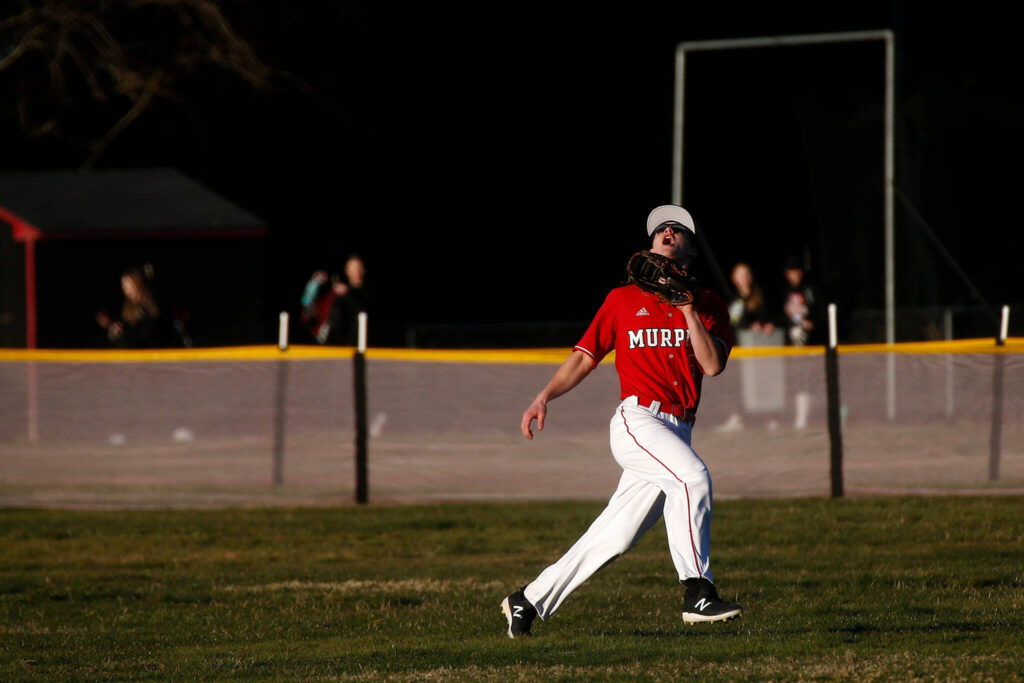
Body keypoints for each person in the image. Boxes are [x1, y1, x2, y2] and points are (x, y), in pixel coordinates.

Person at [501, 205, 742, 639]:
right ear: (650, 247)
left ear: (690, 248)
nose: (667, 232)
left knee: (615, 536)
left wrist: (688, 310)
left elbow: (712, 366)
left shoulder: (710, 305)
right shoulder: (622, 300)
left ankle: (529, 599)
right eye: (659, 229)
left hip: (678, 427)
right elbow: (584, 358)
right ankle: (698, 591)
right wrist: (544, 396)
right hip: (639, 420)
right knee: (692, 479)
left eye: (677, 229)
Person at [299, 254, 369, 345]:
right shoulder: (338, 291)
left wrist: (347, 293)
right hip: (331, 342)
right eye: (352, 267)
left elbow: (360, 308)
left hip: (353, 342)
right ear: (346, 270)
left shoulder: (363, 292)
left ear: (363, 270)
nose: (355, 270)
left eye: (357, 267)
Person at [96, 266, 164, 348]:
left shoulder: (149, 307)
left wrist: (122, 332)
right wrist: (111, 326)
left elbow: (144, 336)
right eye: (123, 285)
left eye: (128, 284)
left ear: (137, 284)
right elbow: (123, 330)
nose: (125, 288)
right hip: (127, 354)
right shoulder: (126, 306)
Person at [780, 255, 821, 347]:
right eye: (792, 273)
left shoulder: (809, 290)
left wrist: (812, 323)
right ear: (787, 275)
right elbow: (782, 316)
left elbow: (817, 311)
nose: (795, 275)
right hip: (790, 339)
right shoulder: (785, 291)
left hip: (809, 339)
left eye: (797, 272)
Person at [728, 261, 775, 339]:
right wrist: (748, 326)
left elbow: (768, 317)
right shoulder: (731, 299)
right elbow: (733, 322)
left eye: (747, 274)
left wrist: (767, 324)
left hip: (756, 340)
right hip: (737, 342)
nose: (744, 277)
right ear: (734, 278)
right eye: (741, 275)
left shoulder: (759, 297)